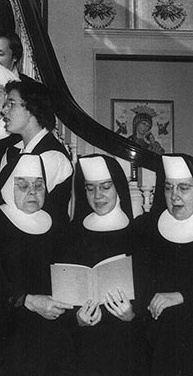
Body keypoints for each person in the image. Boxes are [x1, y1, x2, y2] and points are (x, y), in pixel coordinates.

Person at [0, 154, 73, 376]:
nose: (32, 192)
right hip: (9, 329)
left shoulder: (57, 224)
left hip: (51, 330)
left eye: (39, 185)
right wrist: (28, 300)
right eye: (23, 185)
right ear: (8, 187)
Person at [65, 155, 148, 376]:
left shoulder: (140, 234)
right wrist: (77, 320)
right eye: (90, 188)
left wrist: (132, 314)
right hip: (85, 346)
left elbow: (150, 296)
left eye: (105, 187)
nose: (98, 195)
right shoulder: (71, 235)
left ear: (118, 187)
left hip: (127, 344)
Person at [0, 77, 73, 221]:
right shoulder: (14, 151)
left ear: (32, 108)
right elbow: (1, 187)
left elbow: (12, 201)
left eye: (11, 104)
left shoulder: (52, 156)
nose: (4, 111)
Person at [144, 154, 193, 376]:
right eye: (168, 187)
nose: (174, 196)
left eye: (184, 187)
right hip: (161, 339)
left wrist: (182, 296)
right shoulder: (149, 228)